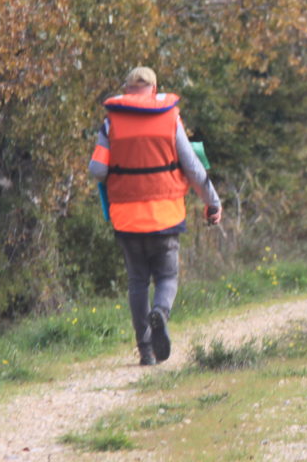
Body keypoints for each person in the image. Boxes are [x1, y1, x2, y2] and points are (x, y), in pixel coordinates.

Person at [89, 66, 222, 366]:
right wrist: (212, 202)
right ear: (154, 88)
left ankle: (146, 350)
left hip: (126, 217)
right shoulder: (169, 118)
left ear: (126, 88)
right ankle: (160, 312)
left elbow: (97, 170)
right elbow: (193, 168)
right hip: (165, 215)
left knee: (137, 280)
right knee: (167, 276)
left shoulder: (111, 123)